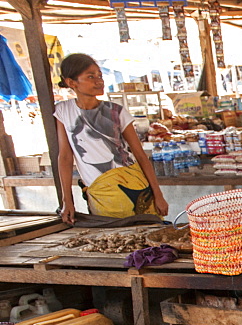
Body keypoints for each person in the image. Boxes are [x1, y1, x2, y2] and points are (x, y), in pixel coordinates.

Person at [54, 53, 167, 224]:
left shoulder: (116, 111)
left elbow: (140, 155)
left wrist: (158, 194)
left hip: (136, 185)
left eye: (99, 75)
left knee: (147, 238)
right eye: (91, 77)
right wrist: (67, 201)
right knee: (114, 239)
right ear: (71, 83)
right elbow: (65, 156)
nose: (99, 81)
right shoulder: (63, 111)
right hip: (101, 193)